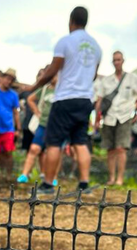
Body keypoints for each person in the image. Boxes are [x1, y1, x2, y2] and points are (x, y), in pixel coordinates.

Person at [26, 6, 102, 195]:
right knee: (80, 142)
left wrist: (33, 87)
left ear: (71, 21)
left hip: (65, 98)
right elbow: (93, 75)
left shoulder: (65, 42)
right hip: (85, 99)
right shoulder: (96, 46)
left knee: (54, 142)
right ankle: (84, 184)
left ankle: (48, 184)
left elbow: (52, 70)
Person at [95, 51, 137, 186]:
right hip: (108, 118)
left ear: (123, 60)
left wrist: (134, 108)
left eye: (119, 59)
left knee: (121, 148)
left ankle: (120, 179)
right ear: (112, 62)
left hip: (124, 117)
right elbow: (99, 100)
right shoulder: (106, 81)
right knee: (110, 149)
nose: (117, 62)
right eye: (115, 60)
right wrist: (96, 118)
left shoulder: (132, 78)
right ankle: (111, 178)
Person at [17, 73, 58, 184]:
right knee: (34, 148)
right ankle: (24, 175)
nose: (55, 77)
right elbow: (30, 99)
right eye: (54, 75)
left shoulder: (64, 91)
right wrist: (37, 112)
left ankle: (52, 177)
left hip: (57, 126)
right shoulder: (45, 89)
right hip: (43, 124)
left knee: (53, 151)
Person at [0, 68, 20, 175]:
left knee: (7, 152)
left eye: (11, 80)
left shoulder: (13, 95)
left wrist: (17, 129)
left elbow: (16, 112)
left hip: (8, 127)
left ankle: (7, 176)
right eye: (7, 78)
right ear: (2, 78)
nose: (8, 81)